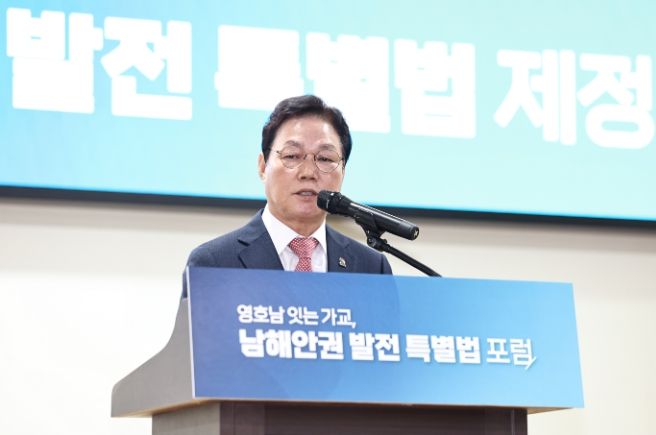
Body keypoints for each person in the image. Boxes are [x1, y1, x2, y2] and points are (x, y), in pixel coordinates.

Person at [184, 95, 392, 291]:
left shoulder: (372, 268)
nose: (308, 172)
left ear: (343, 171)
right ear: (263, 166)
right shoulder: (213, 263)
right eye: (292, 156)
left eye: (325, 159)